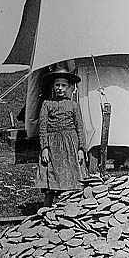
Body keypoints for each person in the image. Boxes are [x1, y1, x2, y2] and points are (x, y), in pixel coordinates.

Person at [36, 67, 88, 206]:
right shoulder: (47, 104)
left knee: (73, 176)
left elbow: (80, 127)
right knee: (51, 177)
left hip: (71, 144)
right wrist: (44, 148)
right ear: (53, 87)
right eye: (57, 85)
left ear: (69, 87)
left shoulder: (74, 105)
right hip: (53, 145)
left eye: (63, 85)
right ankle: (47, 210)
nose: (60, 88)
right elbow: (42, 127)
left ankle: (72, 208)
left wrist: (81, 149)